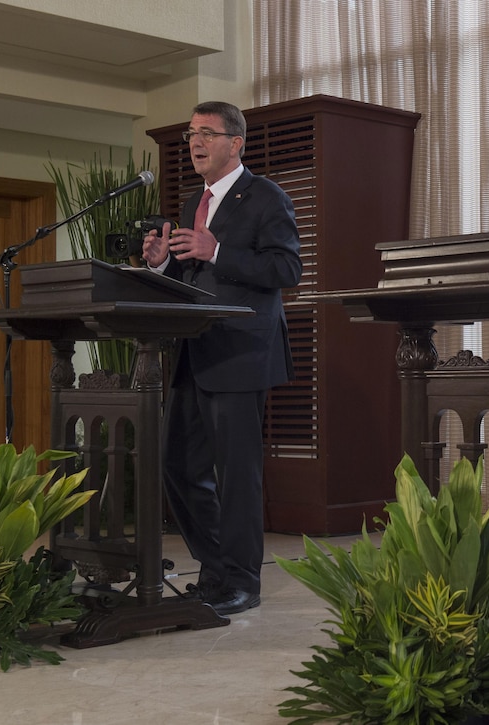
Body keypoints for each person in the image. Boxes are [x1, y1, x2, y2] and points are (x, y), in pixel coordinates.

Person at [141, 101, 302, 615]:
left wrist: (217, 252)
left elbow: (288, 268)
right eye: (191, 133)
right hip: (195, 350)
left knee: (235, 473)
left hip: (241, 350)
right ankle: (214, 569)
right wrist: (164, 263)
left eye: (207, 133)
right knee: (178, 467)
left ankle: (242, 581)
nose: (196, 141)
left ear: (236, 143)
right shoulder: (194, 203)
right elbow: (193, 281)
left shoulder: (265, 197)